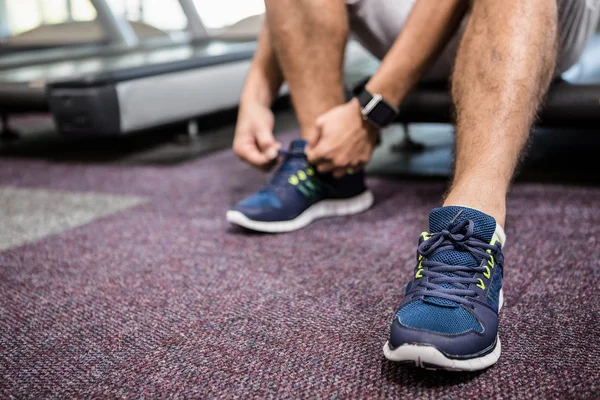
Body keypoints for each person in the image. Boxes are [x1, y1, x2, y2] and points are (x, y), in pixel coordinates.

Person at [225, 0, 599, 371]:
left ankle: (475, 216)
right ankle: (327, 164)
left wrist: (370, 112)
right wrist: (256, 95)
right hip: (403, 23)